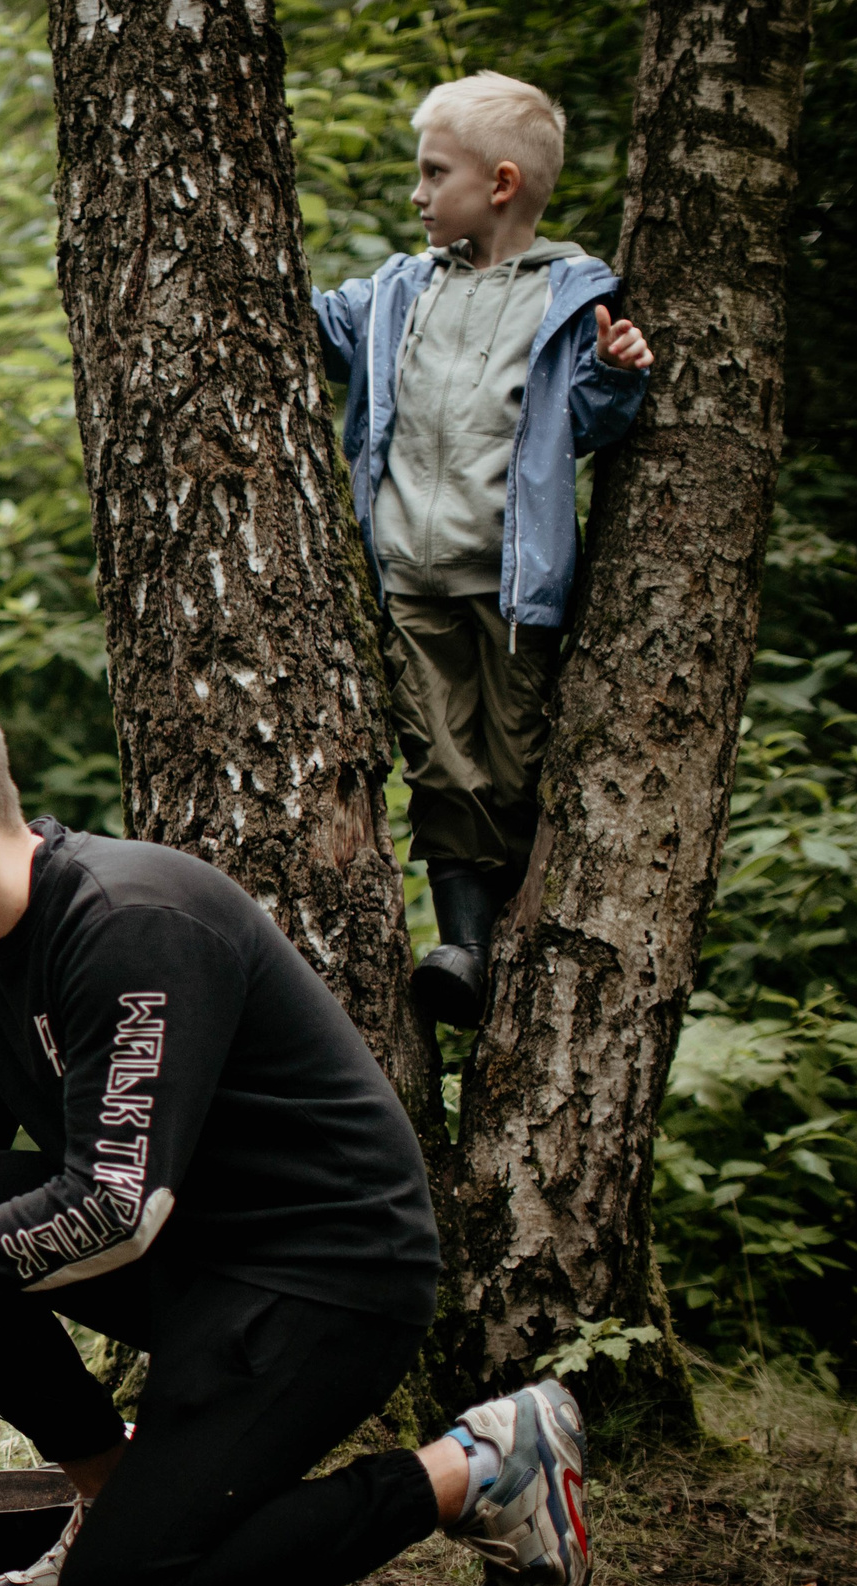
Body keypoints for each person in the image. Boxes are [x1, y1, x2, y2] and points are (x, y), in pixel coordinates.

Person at [0, 667, 591, 1586]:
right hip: (195, 1259)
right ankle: (109, 1499)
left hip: (327, 1278)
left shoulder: (130, 925)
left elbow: (116, 1208)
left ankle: (481, 1465)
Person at [311, 72, 654, 1028]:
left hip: (511, 587)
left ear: (500, 184)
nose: (417, 193)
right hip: (409, 580)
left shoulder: (568, 296)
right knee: (439, 759)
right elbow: (318, 326)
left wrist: (616, 374)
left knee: (514, 759)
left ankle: (505, 937)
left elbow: (584, 421)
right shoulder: (400, 291)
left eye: (434, 173)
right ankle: (461, 947)